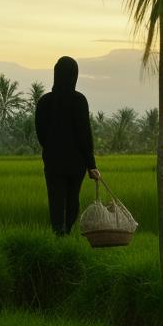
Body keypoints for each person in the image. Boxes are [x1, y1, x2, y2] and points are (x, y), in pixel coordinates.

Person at [34, 55, 100, 235]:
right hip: (75, 163)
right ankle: (66, 232)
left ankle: (59, 235)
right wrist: (91, 165)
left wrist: (51, 147)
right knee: (72, 201)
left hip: (53, 161)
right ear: (74, 75)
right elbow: (84, 135)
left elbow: (40, 133)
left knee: (55, 200)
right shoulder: (79, 101)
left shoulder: (44, 102)